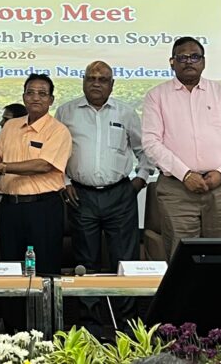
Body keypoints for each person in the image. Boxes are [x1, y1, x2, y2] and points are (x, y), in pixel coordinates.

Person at [54, 61, 155, 337]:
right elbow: (55, 153)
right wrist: (64, 182)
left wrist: (140, 179)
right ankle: (91, 329)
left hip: (120, 195)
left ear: (112, 84)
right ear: (83, 81)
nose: (96, 83)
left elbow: (144, 151)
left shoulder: (126, 112)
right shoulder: (66, 112)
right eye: (91, 78)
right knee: (85, 264)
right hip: (81, 195)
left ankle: (128, 328)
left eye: (102, 79)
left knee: (125, 263)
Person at [0, 74, 71, 334]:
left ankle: (46, 330)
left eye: (42, 93)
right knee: (11, 270)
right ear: (24, 97)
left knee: (45, 272)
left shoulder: (58, 131)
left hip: (43, 207)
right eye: (30, 92)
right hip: (10, 207)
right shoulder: (10, 126)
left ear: (51, 99)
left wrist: (2, 167)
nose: (35, 97)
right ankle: (12, 329)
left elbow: (43, 165)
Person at [142, 37, 221, 260]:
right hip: (177, 189)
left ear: (203, 61)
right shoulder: (156, 96)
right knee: (181, 258)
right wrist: (185, 174)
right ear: (172, 62)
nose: (189, 62)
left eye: (195, 57)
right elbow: (151, 142)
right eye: (182, 57)